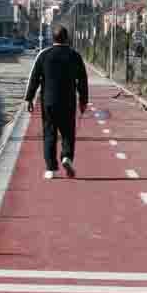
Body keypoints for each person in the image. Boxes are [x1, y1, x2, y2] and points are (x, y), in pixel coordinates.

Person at [24, 26, 88, 179]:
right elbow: (82, 80)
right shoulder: (75, 56)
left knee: (49, 133)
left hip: (49, 101)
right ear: (67, 38)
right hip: (68, 101)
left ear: (53, 38)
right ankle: (66, 156)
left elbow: (34, 78)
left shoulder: (44, 55)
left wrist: (29, 98)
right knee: (68, 132)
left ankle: (51, 169)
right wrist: (83, 100)